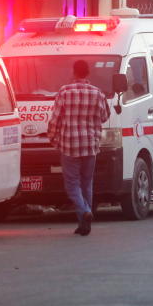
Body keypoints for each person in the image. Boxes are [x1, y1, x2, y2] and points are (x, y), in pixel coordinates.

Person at [47, 60, 110, 235]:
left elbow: (55, 120)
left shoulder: (64, 92)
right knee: (86, 183)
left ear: (74, 72)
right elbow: (104, 116)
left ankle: (84, 212)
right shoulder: (97, 93)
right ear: (88, 73)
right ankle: (84, 223)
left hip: (69, 146)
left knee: (72, 184)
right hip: (90, 145)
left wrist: (53, 139)